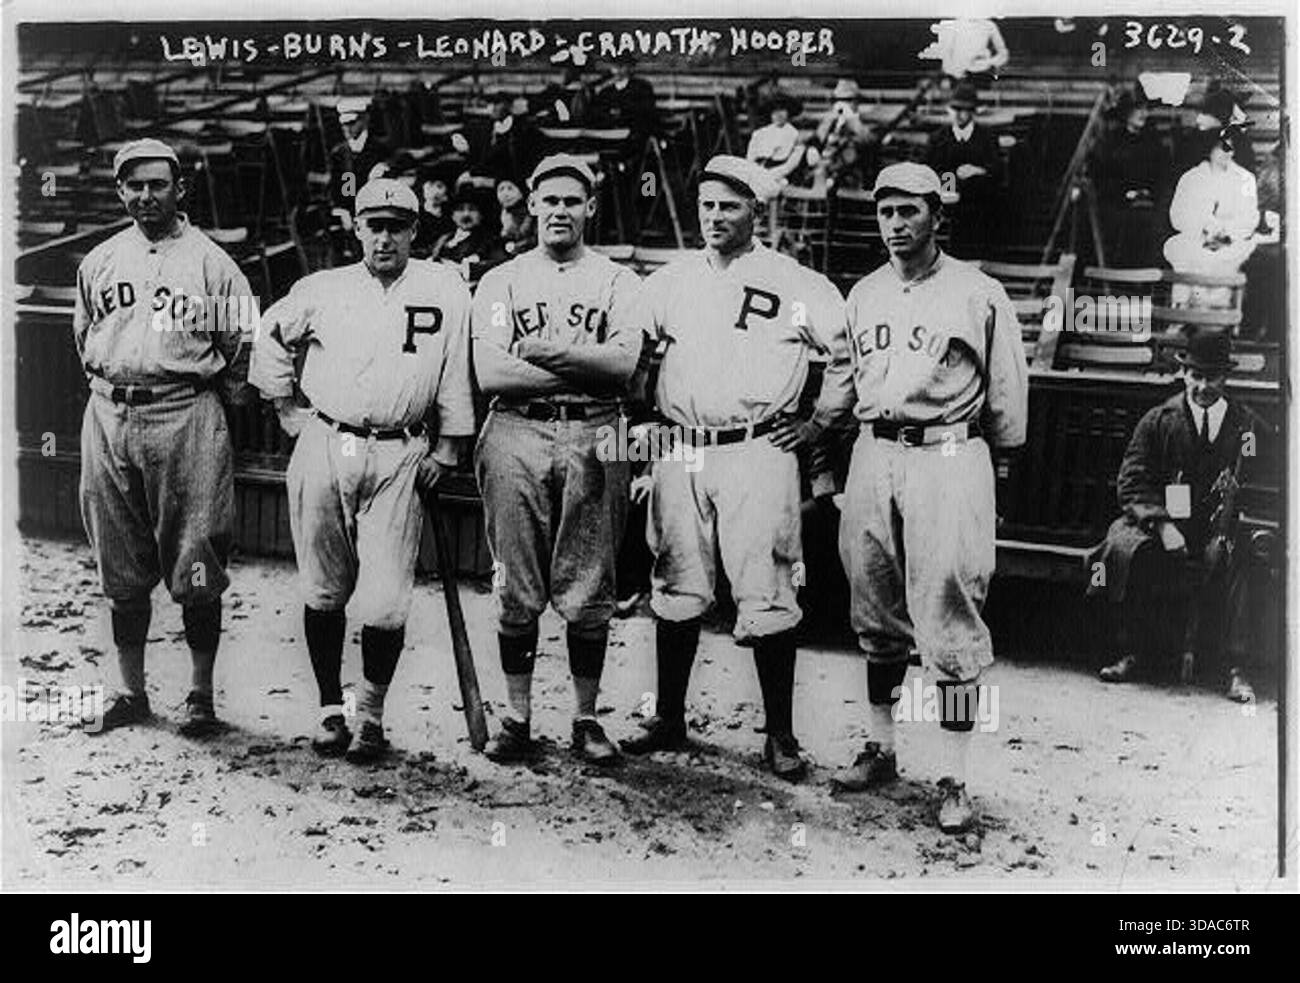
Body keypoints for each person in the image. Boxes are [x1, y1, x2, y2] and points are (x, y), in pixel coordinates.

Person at [803, 162, 1028, 833]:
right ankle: (883, 745)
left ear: (937, 214)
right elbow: (842, 382)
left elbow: (1008, 401)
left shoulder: (978, 290)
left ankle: (955, 774)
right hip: (876, 451)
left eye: (909, 211)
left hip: (949, 450)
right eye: (885, 213)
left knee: (950, 607)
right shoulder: (864, 292)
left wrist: (992, 464)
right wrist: (818, 436)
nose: (896, 225)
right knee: (873, 603)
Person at [618, 155, 851, 781]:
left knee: (768, 586)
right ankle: (669, 716)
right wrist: (641, 413)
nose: (716, 217)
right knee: (676, 580)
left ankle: (780, 735)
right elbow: (631, 350)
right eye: (708, 206)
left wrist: (818, 422)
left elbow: (844, 353)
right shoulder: (671, 279)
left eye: (730, 206)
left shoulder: (793, 280)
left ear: (757, 210)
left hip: (757, 447)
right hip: (684, 444)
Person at [249, 178, 475, 763]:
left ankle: (370, 715)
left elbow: (454, 369)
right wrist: (286, 408)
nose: (384, 237)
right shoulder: (323, 287)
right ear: (357, 229)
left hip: (400, 452)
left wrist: (449, 449)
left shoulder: (444, 287)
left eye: (396, 226)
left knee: (383, 601)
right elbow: (269, 335)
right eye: (373, 225)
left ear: (414, 231)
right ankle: (331, 709)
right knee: (324, 587)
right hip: (327, 441)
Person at [74, 138, 255, 735]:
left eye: (157, 184)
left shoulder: (211, 262)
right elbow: (85, 341)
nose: (145, 195)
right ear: (120, 190)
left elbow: (240, 351)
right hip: (110, 413)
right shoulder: (100, 260)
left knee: (196, 559)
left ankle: (200, 696)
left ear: (180, 188)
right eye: (134, 185)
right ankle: (132, 692)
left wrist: (214, 414)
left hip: (184, 412)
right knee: (119, 563)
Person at [471, 154, 643, 765]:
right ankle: (516, 718)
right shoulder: (502, 280)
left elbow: (623, 366)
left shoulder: (620, 280)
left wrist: (541, 351)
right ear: (532, 207)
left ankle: (585, 717)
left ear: (590, 207)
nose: (560, 211)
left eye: (572, 200)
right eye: (549, 200)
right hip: (515, 432)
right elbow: (490, 370)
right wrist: (579, 364)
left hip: (598, 433)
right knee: (516, 584)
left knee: (589, 581)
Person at [1089, 330, 1256, 704]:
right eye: (1195, 376)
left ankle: (1235, 667)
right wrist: (1162, 525)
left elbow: (1258, 480)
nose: (1202, 386)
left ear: (1225, 378)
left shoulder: (1246, 425)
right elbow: (1131, 481)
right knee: (1126, 548)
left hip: (1217, 527)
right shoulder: (1158, 420)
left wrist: (1224, 531)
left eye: (1211, 376)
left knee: (1243, 558)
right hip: (1166, 525)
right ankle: (1133, 651)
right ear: (1184, 375)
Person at [1163, 126, 1259, 299]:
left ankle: (1216, 319)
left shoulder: (1244, 179)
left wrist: (1224, 231)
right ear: (1209, 149)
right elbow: (1177, 216)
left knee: (1224, 259)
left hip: (1230, 240)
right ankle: (1182, 313)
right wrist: (1204, 227)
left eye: (1230, 147)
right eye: (1221, 147)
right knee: (1184, 253)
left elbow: (1249, 218)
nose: (1226, 152)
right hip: (1196, 237)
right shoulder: (1191, 178)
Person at [1089, 84, 1171, 267]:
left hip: (1149, 202)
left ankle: (1145, 279)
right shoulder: (1111, 142)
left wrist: (1149, 193)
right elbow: (1102, 178)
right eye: (1138, 109)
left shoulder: (1153, 141)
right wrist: (1125, 194)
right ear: (1126, 113)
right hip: (1117, 202)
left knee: (1156, 225)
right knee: (1119, 225)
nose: (1143, 114)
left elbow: (1162, 176)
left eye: (1146, 109)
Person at [926, 80, 1003, 257]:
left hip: (979, 209)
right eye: (956, 109)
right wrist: (951, 181)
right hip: (947, 208)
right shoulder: (938, 138)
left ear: (973, 112)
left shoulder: (986, 137)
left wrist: (978, 170)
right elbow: (927, 171)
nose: (959, 115)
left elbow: (999, 172)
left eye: (964, 110)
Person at [813, 79, 876, 191]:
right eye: (840, 100)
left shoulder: (856, 119)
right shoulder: (833, 117)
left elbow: (867, 139)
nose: (843, 104)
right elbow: (820, 137)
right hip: (831, 163)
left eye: (848, 100)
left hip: (845, 166)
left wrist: (852, 121)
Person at [330, 97, 392, 208]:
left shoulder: (380, 149)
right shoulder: (339, 153)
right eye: (343, 124)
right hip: (350, 211)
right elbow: (337, 187)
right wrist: (340, 210)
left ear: (365, 119)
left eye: (352, 123)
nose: (347, 128)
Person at [746, 92, 806, 186]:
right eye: (774, 111)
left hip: (780, 177)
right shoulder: (759, 134)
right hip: (757, 174)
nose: (778, 114)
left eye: (782, 110)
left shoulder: (794, 135)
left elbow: (790, 165)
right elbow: (750, 159)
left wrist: (769, 175)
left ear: (788, 112)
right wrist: (755, 174)